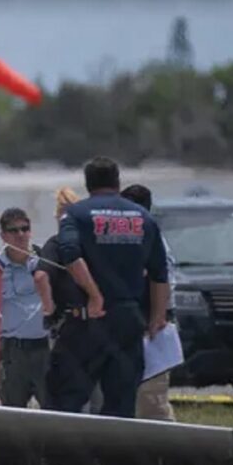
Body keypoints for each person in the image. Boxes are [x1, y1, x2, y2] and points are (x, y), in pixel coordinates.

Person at [55, 156, 170, 417]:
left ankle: (64, 456)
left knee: (67, 397)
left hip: (88, 321)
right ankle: (116, 456)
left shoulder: (76, 214)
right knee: (122, 400)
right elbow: (160, 274)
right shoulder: (143, 217)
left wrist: (94, 295)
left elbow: (70, 254)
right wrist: (157, 317)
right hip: (129, 321)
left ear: (88, 184)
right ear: (118, 182)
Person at [121, 183, 176, 421]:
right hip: (133, 327)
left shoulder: (151, 241)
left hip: (151, 329)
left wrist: (156, 318)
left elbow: (161, 281)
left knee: (152, 400)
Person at [33, 187, 92, 411]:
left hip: (68, 325)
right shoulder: (94, 242)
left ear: (59, 217)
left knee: (66, 390)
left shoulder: (56, 244)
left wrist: (48, 310)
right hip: (100, 322)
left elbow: (40, 277)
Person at [0, 207, 48, 408]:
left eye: (24, 229)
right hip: (12, 352)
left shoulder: (45, 260)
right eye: (13, 230)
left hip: (45, 349)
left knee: (55, 411)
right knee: (11, 413)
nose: (20, 235)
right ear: (3, 235)